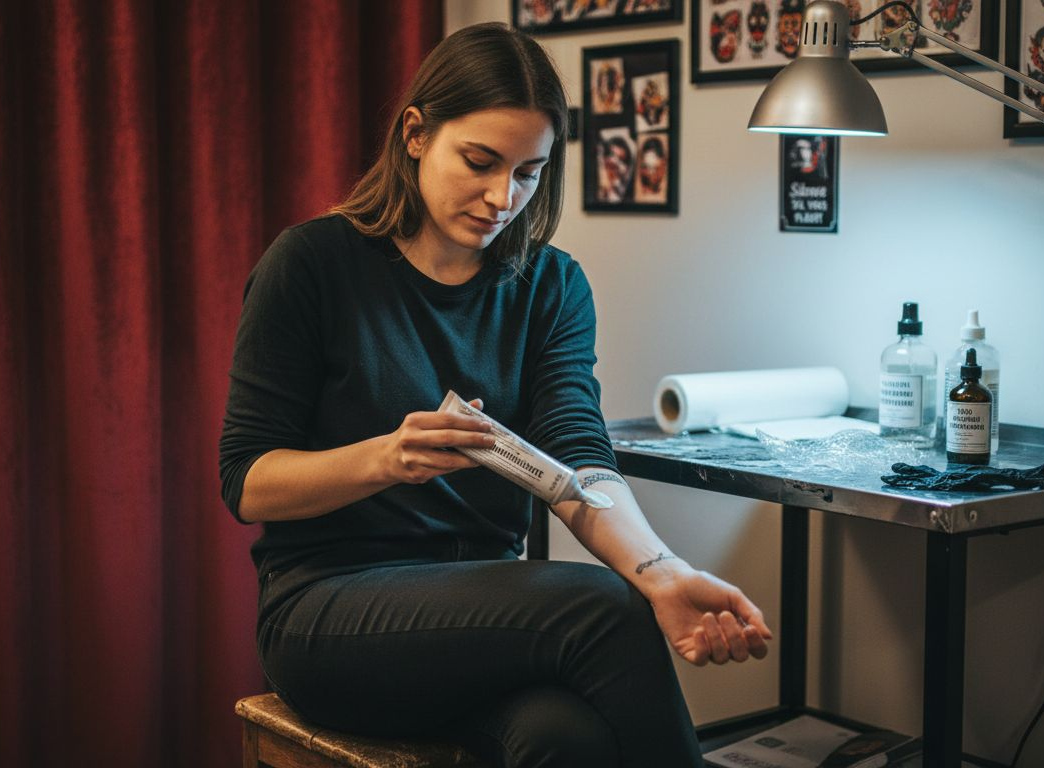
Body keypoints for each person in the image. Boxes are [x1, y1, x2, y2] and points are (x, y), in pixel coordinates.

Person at [219, 22, 772, 768]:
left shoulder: (553, 286)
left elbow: (581, 462)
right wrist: (387, 459)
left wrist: (662, 570)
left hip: (480, 612)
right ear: (416, 134)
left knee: (564, 741)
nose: (501, 196)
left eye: (529, 172)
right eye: (479, 162)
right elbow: (248, 483)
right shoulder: (312, 265)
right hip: (327, 611)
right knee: (605, 609)